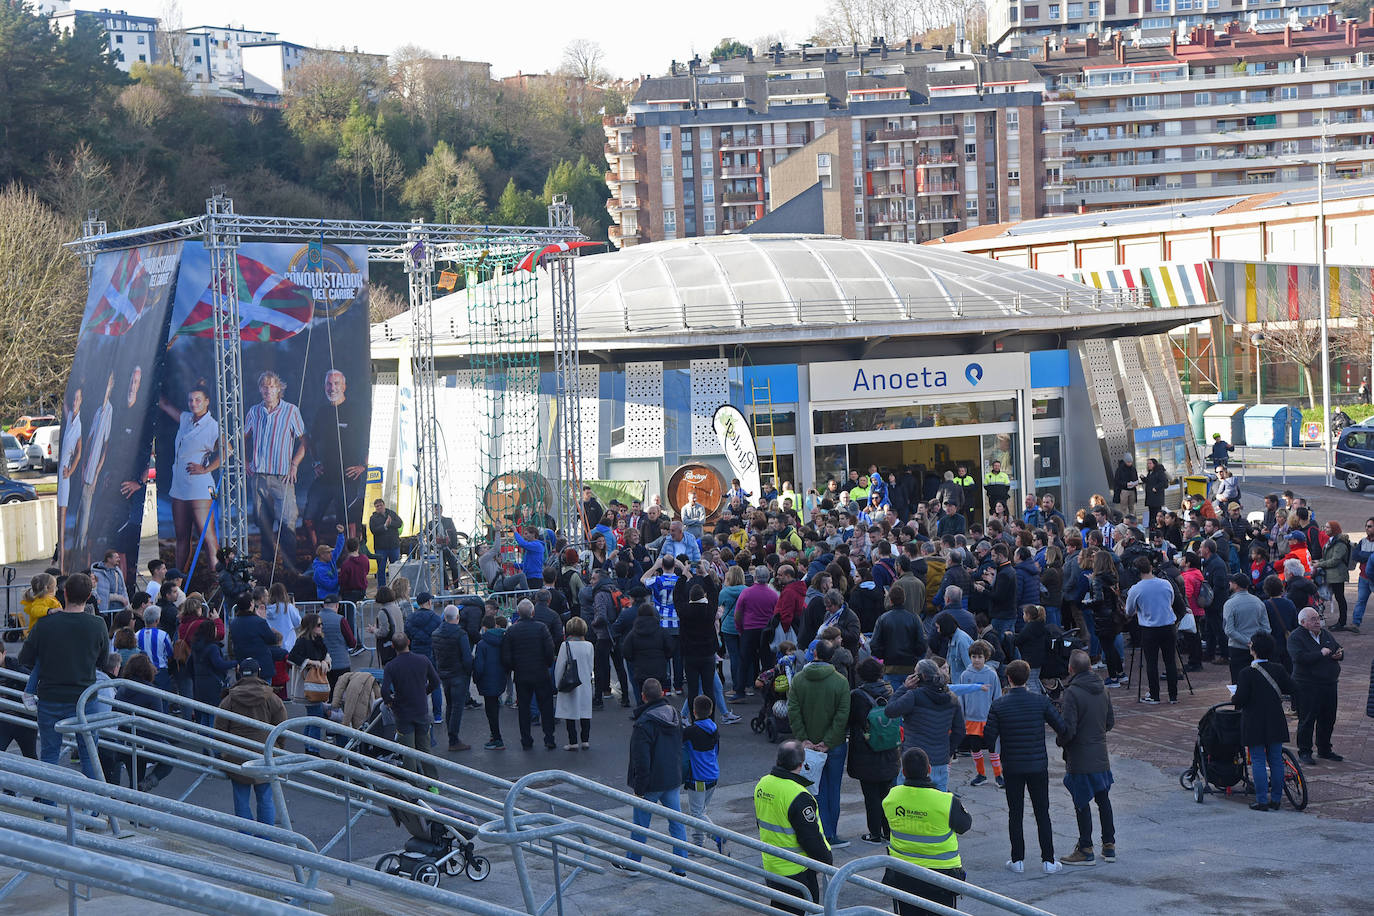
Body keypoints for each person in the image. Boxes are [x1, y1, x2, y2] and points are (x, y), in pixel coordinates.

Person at [984, 659, 1067, 876]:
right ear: (1027, 676)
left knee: (1015, 813)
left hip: (1012, 766)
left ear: (1008, 679)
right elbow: (1061, 726)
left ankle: (1017, 859)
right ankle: (1048, 860)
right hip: (1038, 764)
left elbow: (989, 737)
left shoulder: (999, 705)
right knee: (1042, 812)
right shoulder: (1040, 701)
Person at [881, 747, 973, 916]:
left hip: (903, 872)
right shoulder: (946, 801)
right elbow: (965, 826)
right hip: (941, 876)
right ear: (929, 769)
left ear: (903, 772)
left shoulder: (891, 797)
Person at [616, 678, 690, 875]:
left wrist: (639, 789)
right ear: (663, 694)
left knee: (641, 825)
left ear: (643, 696)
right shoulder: (674, 714)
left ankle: (633, 864)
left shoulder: (644, 724)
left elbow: (642, 761)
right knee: (676, 823)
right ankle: (680, 866)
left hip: (651, 783)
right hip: (672, 778)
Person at [753, 739, 833, 913]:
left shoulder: (762, 784)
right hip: (797, 870)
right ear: (801, 764)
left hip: (772, 865)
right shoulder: (799, 796)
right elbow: (810, 838)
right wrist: (827, 861)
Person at [787, 639, 851, 847]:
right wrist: (828, 741)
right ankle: (831, 834)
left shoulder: (798, 679)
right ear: (832, 657)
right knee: (832, 791)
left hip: (806, 747)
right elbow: (842, 715)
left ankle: (814, 832)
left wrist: (804, 739)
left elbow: (793, 711)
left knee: (810, 791)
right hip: (834, 746)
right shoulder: (840, 681)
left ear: (814, 654)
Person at [1056, 650, 1116, 866]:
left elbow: (1068, 728)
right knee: (1104, 800)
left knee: (1081, 802)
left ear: (1071, 669)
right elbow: (1110, 722)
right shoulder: (1104, 689)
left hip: (1080, 756)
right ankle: (1109, 845)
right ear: (1090, 667)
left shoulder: (1072, 693)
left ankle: (1085, 847)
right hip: (1100, 754)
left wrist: (1060, 741)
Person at [243, 371, 306, 573]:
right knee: (263, 523)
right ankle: (268, 568)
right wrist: (245, 461)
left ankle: (290, 570)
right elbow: (243, 437)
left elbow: (304, 441)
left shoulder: (291, 411)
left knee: (287, 523)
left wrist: (294, 463)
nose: (267, 390)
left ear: (279, 388)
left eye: (271, 386)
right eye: (264, 386)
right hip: (259, 476)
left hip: (282, 477)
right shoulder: (254, 411)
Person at [302, 368, 368, 551]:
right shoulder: (322, 412)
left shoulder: (355, 411)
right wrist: (315, 462)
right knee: (308, 518)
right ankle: (320, 557)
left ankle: (350, 558)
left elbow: (369, 438)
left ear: (344, 386)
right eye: (329, 384)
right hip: (325, 477)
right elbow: (309, 439)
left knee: (349, 522)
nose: (332, 388)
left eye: (336, 383)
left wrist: (363, 465)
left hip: (348, 477)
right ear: (324, 386)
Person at [216, 659, 287, 827]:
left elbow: (219, 729)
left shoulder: (229, 699)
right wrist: (277, 749)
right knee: (265, 798)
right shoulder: (272, 698)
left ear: (239, 671)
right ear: (259, 671)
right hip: (265, 755)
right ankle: (266, 839)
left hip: (237, 756)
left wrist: (223, 754)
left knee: (241, 800)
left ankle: (246, 839)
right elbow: (282, 727)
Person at [1233, 632, 1299, 811]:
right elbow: (1292, 687)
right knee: (1276, 760)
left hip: (1254, 721)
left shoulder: (1247, 673)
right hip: (1275, 719)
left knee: (1258, 760)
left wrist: (1234, 696)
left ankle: (1262, 800)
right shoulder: (1278, 669)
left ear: (1254, 649)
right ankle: (1276, 799)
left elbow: (1239, 699)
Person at [885, 658, 965, 792]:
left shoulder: (914, 696)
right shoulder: (952, 698)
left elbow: (890, 710)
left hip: (913, 760)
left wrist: (904, 688)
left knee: (908, 805)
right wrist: (947, 752)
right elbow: (960, 731)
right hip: (940, 761)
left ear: (921, 676)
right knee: (937, 807)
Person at [847, 657, 901, 844]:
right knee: (887, 793)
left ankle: (875, 833)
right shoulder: (890, 692)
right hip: (890, 750)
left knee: (871, 797)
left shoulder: (857, 696)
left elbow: (852, 721)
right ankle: (888, 831)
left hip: (866, 753)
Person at [1287, 608, 1344, 765]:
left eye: (1318, 618)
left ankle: (1325, 749)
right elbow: (1299, 658)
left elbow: (1337, 647)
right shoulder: (1296, 637)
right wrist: (1321, 653)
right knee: (1307, 719)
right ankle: (1305, 751)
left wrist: (1340, 654)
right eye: (1312, 619)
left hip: (1329, 683)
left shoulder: (1325, 634)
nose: (1317, 621)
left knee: (1328, 718)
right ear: (1303, 622)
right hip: (1307, 685)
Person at [381, 633, 442, 779]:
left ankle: (412, 785)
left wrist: (390, 702)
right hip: (420, 709)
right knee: (425, 748)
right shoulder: (423, 660)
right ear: (409, 642)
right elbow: (435, 681)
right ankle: (433, 783)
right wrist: (424, 692)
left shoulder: (391, 666)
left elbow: (384, 690)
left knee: (408, 752)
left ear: (393, 646)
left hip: (403, 713)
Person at [502, 599, 557, 750]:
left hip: (522, 675)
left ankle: (526, 739)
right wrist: (546, 664)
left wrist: (515, 667)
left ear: (518, 613)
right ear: (533, 613)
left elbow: (506, 657)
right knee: (546, 706)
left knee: (524, 708)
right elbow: (549, 650)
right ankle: (549, 737)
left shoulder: (512, 630)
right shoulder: (541, 628)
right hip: (540, 673)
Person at [1124, 556, 1179, 704]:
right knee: (1170, 661)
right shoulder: (1166, 584)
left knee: (1151, 662)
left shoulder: (1136, 589)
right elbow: (1171, 601)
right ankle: (1173, 695)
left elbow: (1129, 611)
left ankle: (1155, 695)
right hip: (1168, 625)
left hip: (1150, 628)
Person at [73, 371, 115, 562]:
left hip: (93, 471)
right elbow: (89, 439)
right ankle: (78, 546)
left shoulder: (109, 411)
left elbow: (105, 444)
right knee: (81, 507)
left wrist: (97, 472)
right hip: (86, 467)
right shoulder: (99, 410)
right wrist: (83, 465)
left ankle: (82, 547)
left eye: (108, 383)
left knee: (87, 509)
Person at [960, 640, 1003, 788]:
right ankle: (981, 774)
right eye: (974, 656)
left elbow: (997, 696)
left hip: (988, 719)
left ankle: (998, 775)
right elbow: (961, 697)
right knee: (975, 748)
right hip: (971, 719)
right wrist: (962, 717)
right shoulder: (965, 675)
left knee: (993, 749)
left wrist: (997, 717)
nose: (976, 660)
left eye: (979, 657)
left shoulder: (992, 674)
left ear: (986, 658)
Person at [682, 693, 723, 851]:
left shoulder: (691, 732)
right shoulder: (714, 729)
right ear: (711, 710)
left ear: (694, 711)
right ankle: (698, 845)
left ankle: (718, 836)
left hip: (698, 779)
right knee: (700, 811)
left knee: (697, 814)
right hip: (713, 776)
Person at [432, 604, 474, 752]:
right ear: (457, 617)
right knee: (457, 707)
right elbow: (467, 657)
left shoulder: (436, 633)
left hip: (444, 673)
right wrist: (468, 672)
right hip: (458, 674)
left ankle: (452, 737)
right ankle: (453, 738)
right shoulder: (460, 634)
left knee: (450, 705)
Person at [286, 613, 331, 741]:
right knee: (316, 718)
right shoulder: (302, 641)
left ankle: (309, 746)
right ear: (311, 626)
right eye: (318, 625)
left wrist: (325, 662)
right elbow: (292, 658)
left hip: (316, 683)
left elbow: (325, 654)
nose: (321, 627)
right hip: (308, 684)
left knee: (312, 718)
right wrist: (311, 662)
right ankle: (313, 748)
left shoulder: (318, 640)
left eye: (321, 624)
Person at [555, 616, 596, 751]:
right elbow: (591, 666)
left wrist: (558, 684)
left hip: (570, 683)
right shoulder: (589, 645)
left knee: (570, 712)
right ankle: (585, 740)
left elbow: (560, 667)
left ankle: (573, 742)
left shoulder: (565, 645)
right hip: (584, 682)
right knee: (585, 711)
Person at [1223, 572, 1271, 684]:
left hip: (1237, 647)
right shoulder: (1258, 602)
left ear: (1235, 585)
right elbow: (1267, 628)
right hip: (1257, 648)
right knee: (1257, 681)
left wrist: (1247, 641)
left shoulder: (1230, 604)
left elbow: (1229, 630)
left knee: (1238, 681)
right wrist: (1255, 641)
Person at [472, 615, 509, 750]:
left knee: (491, 711)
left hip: (487, 681)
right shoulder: (503, 639)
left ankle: (497, 738)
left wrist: (475, 678)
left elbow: (479, 666)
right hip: (500, 678)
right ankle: (495, 736)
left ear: (484, 627)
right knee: (495, 708)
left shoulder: (482, 644)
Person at [55, 387, 83, 566]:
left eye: (77, 399)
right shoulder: (71, 416)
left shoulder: (79, 424)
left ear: (81, 401)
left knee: (63, 515)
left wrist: (70, 471)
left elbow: (79, 453)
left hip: (65, 471)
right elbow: (66, 407)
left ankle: (63, 561)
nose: (74, 402)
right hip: (60, 470)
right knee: (59, 514)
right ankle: (59, 558)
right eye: (74, 399)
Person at [1318, 521, 1352, 632]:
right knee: (1331, 597)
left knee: (1340, 598)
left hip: (1337, 575)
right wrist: (1318, 561)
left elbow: (1334, 561)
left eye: (1327, 527)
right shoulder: (1332, 541)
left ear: (1334, 529)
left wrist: (1319, 564)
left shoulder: (1340, 544)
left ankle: (1342, 622)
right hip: (1332, 574)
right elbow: (1328, 558)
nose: (1325, 529)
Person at [368, 499, 403, 589]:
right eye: (377, 506)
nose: (379, 507)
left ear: (384, 505)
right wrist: (385, 526)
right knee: (381, 569)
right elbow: (374, 530)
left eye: (380, 505)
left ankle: (396, 587)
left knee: (395, 568)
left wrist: (390, 523)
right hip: (381, 548)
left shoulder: (391, 513)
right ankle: (382, 588)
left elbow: (399, 523)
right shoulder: (373, 518)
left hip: (394, 546)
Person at [91, 549, 129, 616]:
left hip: (120, 610)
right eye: (116, 557)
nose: (119, 559)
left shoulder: (118, 572)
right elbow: (102, 594)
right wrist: (120, 598)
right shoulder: (98, 574)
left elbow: (123, 590)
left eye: (119, 557)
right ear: (109, 559)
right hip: (106, 612)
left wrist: (128, 606)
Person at [1142, 458, 1169, 530]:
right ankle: (1152, 527)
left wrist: (1156, 488)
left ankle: (1157, 526)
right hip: (1150, 497)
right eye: (1148, 464)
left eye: (1150, 463)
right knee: (1151, 513)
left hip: (1156, 497)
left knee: (1157, 513)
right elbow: (1150, 481)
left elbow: (1164, 483)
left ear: (1154, 464)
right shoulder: (1150, 472)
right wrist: (1144, 479)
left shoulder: (1159, 472)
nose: (1148, 465)